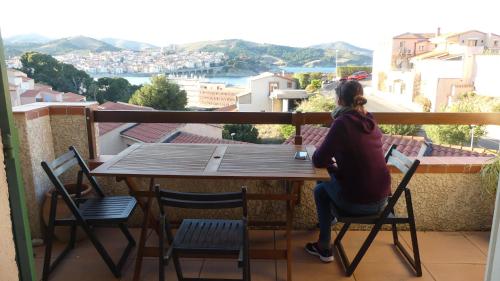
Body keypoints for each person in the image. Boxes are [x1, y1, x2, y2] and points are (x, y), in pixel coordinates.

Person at [305, 80, 391, 262]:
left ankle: (324, 245)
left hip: (358, 203)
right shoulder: (370, 120)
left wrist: (331, 167)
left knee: (321, 189)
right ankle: (328, 222)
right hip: (383, 200)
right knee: (326, 179)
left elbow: (319, 160)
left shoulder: (342, 123)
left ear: (340, 101)